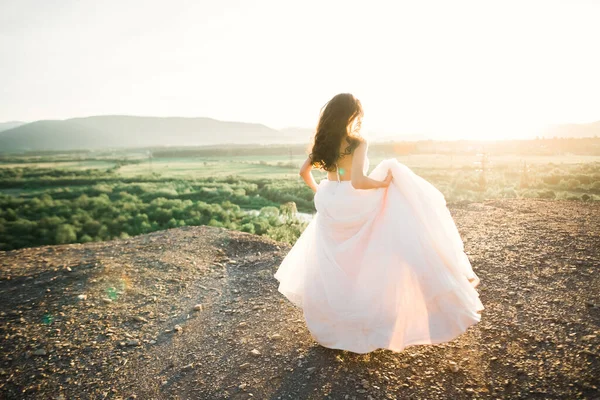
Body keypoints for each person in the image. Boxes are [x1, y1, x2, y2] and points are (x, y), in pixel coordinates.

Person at [273, 93, 484, 354]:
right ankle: (376, 313)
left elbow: (304, 172)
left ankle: (334, 325)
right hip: (352, 200)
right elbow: (359, 182)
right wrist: (383, 184)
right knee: (387, 184)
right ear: (353, 115)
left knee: (332, 260)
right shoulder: (356, 142)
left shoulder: (322, 142)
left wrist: (321, 190)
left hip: (330, 201)